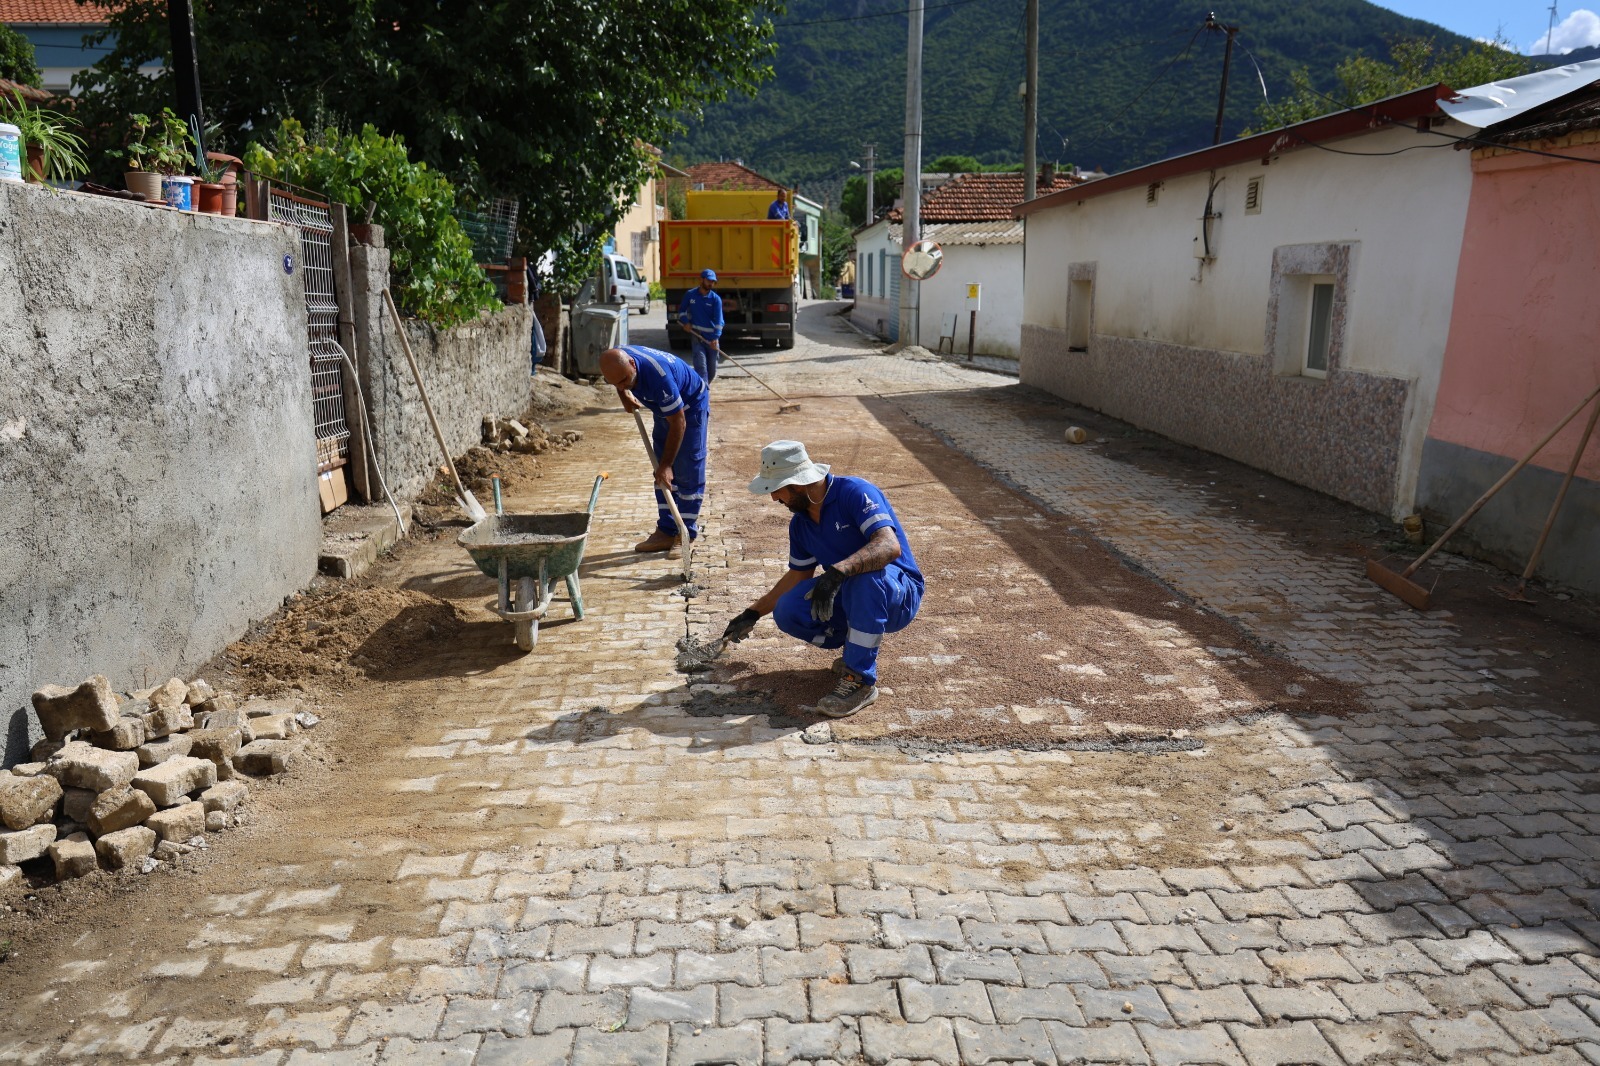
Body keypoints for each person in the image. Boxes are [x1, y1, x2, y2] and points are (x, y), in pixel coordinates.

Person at [719, 441, 925, 718]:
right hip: (850, 592)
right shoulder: (801, 523)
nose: (773, 499)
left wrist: (838, 571)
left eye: (777, 490)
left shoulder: (854, 492)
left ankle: (859, 680)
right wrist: (753, 612)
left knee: (865, 579)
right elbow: (797, 576)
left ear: (799, 484)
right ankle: (855, 650)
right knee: (789, 609)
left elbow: (889, 546)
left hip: (896, 592)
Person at [599, 346, 709, 553]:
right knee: (659, 469)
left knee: (686, 467)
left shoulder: (660, 378)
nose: (622, 385)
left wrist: (668, 465)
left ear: (632, 363)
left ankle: (685, 534)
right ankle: (667, 531)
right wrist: (624, 395)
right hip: (664, 407)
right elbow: (618, 379)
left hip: (689, 407)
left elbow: (678, 422)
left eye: (624, 380)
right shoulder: (616, 364)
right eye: (616, 383)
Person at [677, 269, 723, 384]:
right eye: (708, 281)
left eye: (713, 282)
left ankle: (703, 388)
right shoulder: (690, 295)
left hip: (712, 339)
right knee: (701, 368)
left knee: (711, 371)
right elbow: (681, 311)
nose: (710, 284)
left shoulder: (716, 299)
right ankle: (703, 395)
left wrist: (715, 338)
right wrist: (685, 322)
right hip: (697, 336)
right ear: (701, 280)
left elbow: (719, 321)